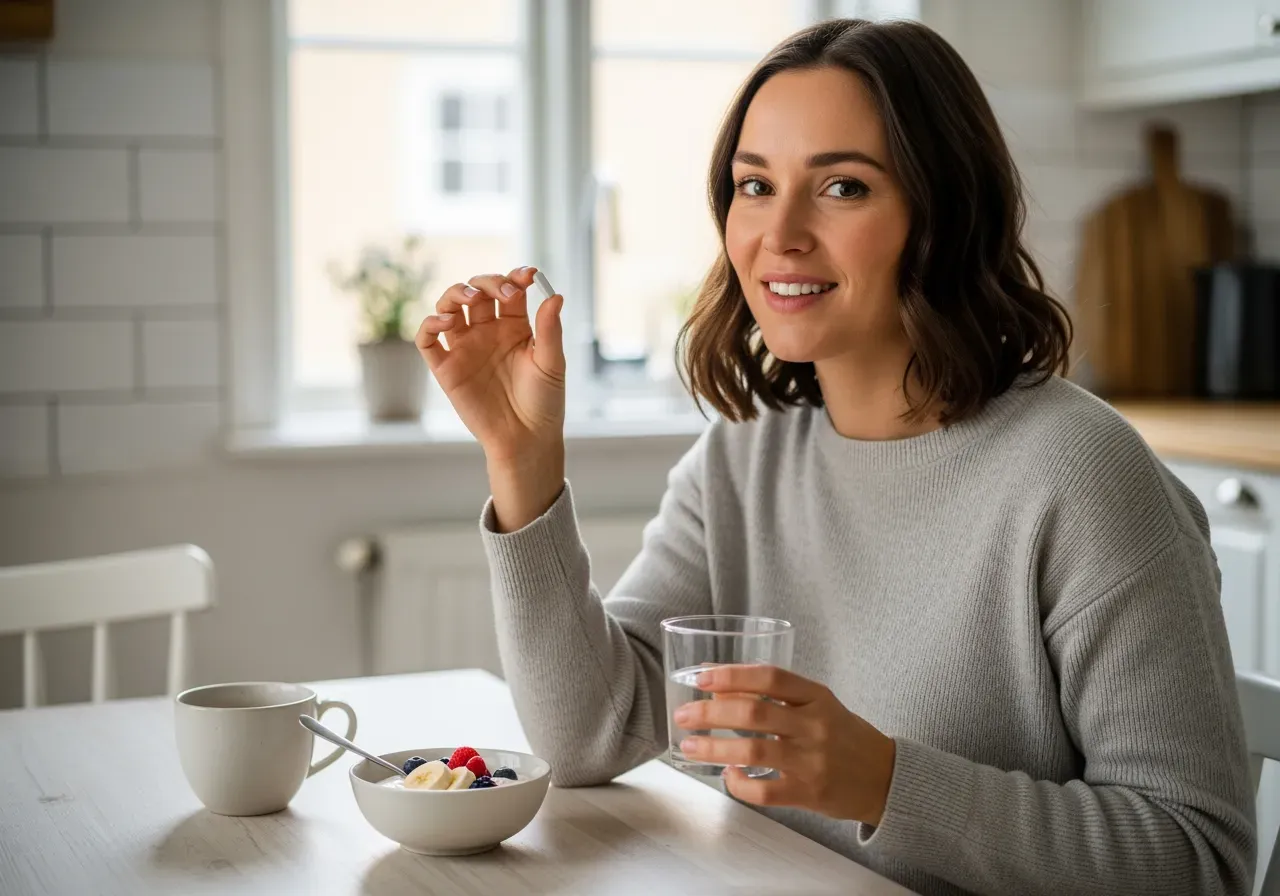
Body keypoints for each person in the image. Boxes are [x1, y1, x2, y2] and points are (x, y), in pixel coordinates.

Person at [414, 17, 1257, 896]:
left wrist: (889, 782)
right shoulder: (744, 456)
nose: (779, 234)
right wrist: (521, 460)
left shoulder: (1080, 477)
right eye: (753, 185)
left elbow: (1199, 859)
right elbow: (590, 732)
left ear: (942, 213)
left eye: (844, 187)